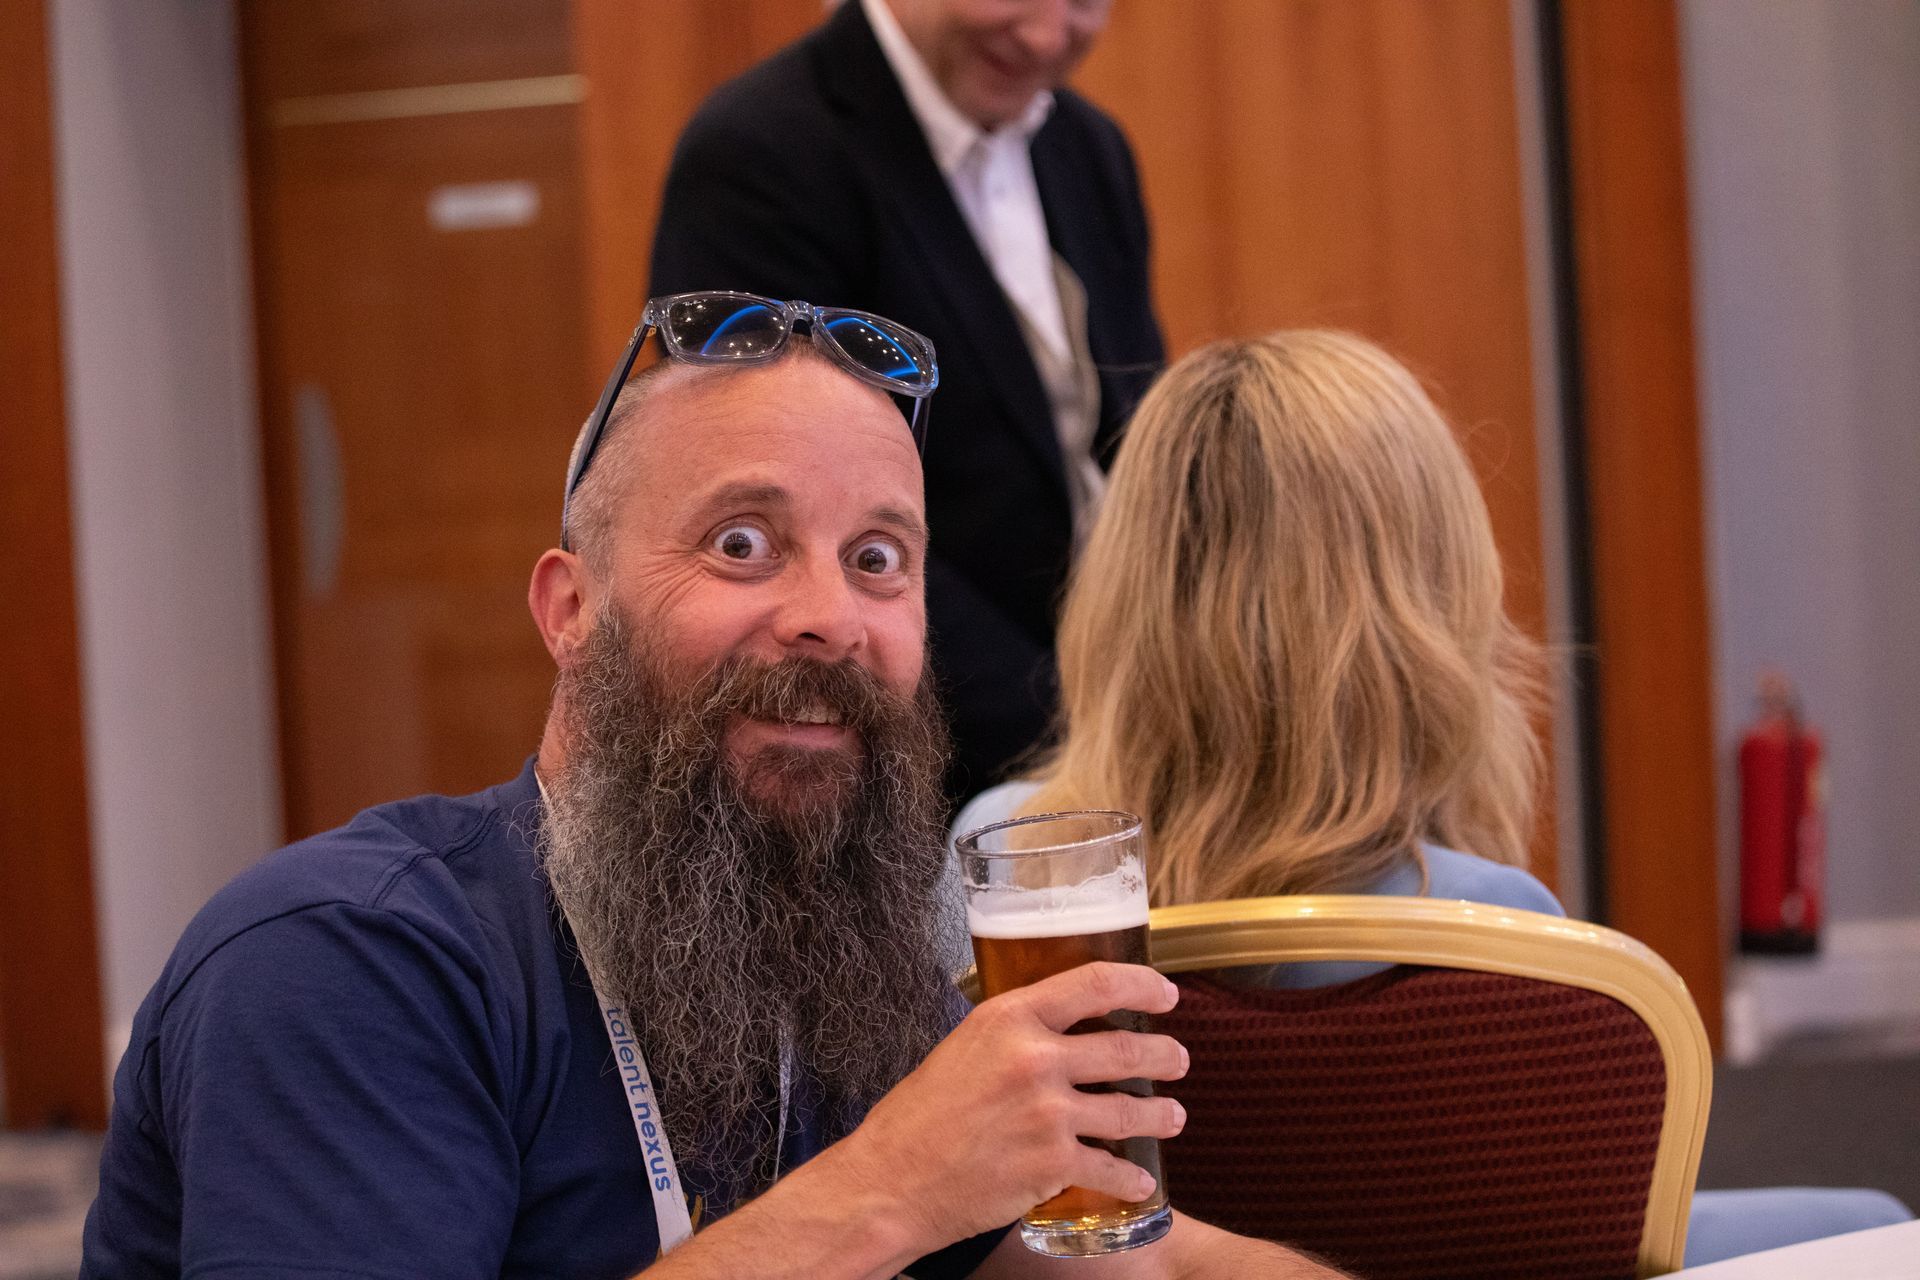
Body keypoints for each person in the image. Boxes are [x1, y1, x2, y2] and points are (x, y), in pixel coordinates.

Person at [82, 297, 1344, 1279]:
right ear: (571, 611)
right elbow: (896, 1204)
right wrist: (891, 1186)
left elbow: (1068, 1259)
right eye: (742, 543)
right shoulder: (348, 960)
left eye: (878, 558)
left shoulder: (838, 951)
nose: (827, 617)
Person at [953, 328, 1911, 1266]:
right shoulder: (1490, 927)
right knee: (1871, 1218)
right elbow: (1571, 1242)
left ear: (1121, 586)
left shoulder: (1001, 866)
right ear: (1431, 595)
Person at [650, 0, 1164, 803]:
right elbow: (794, 524)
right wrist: (1077, 749)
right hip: (902, 782)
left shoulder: (1089, 147)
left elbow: (1127, 449)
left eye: (1085, 1)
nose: (1046, 35)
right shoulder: (762, 153)